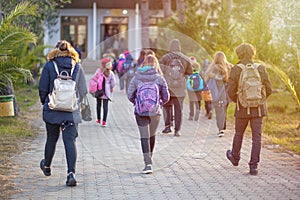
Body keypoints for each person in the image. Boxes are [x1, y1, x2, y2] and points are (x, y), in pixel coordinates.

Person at [39, 40, 88, 186]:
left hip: (53, 110)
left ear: (55, 51)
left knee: (51, 138)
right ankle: (71, 173)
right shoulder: (77, 67)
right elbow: (83, 90)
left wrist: (46, 102)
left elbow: (42, 88)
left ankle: (47, 166)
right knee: (70, 141)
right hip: (71, 112)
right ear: (71, 51)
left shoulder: (49, 66)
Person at [226, 43, 272, 175]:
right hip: (258, 109)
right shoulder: (260, 68)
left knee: (239, 133)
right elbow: (269, 89)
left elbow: (230, 91)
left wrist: (240, 101)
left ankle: (235, 158)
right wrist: (260, 100)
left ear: (239, 54)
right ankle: (253, 166)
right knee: (256, 137)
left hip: (242, 109)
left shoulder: (236, 69)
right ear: (253, 53)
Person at [127, 55, 170, 174]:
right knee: (152, 135)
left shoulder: (136, 77)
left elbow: (130, 94)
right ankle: (149, 157)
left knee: (144, 136)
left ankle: (148, 163)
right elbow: (166, 96)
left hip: (140, 111)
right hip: (155, 112)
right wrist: (159, 103)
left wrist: (137, 103)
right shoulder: (159, 78)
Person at [159, 39, 193, 136]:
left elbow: (159, 70)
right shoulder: (185, 58)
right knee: (178, 109)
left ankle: (167, 126)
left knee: (166, 107)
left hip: (167, 87)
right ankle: (177, 130)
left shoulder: (165, 58)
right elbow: (190, 72)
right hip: (180, 88)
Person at [204, 51, 232, 137]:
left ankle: (221, 129)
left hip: (216, 93)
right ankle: (223, 127)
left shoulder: (211, 68)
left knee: (219, 111)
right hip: (226, 93)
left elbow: (206, 80)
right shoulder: (229, 67)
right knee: (223, 110)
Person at [94, 58, 116, 126]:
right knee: (105, 106)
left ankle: (98, 119)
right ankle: (104, 121)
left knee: (98, 105)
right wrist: (111, 87)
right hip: (106, 91)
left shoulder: (98, 71)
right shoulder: (110, 72)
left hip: (99, 90)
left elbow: (95, 78)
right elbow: (113, 82)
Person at [187, 56, 202, 121]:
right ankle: (198, 110)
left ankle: (191, 115)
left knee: (191, 101)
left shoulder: (189, 68)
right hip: (198, 88)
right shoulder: (198, 68)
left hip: (191, 88)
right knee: (198, 100)